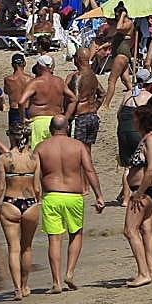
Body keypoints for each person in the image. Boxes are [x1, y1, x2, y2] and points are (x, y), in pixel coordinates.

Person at [35, 115, 105, 293]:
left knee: (55, 239)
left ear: (51, 129)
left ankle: (56, 282)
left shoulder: (41, 148)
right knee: (76, 234)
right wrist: (99, 195)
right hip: (74, 196)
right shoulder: (78, 146)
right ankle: (70, 273)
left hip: (51, 196)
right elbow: (89, 170)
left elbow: (35, 176)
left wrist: (36, 197)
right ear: (67, 128)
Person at [0, 124, 41, 300]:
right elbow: (37, 188)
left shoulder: (4, 159)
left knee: (13, 248)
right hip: (30, 203)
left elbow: (0, 186)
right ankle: (25, 284)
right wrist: (39, 202)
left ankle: (16, 289)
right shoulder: (34, 159)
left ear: (11, 137)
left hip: (10, 203)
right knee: (27, 247)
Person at [122, 105, 152, 288]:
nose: (133, 121)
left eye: (136, 118)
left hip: (145, 190)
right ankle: (148, 269)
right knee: (146, 229)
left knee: (130, 230)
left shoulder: (151, 140)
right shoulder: (149, 139)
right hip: (148, 190)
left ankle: (144, 272)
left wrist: (138, 193)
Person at [19, 55, 75, 149]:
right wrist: (66, 117)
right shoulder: (59, 81)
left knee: (37, 153)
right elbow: (73, 99)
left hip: (38, 122)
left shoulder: (35, 83)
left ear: (39, 66)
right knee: (54, 153)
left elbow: (21, 102)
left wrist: (23, 118)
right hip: (55, 122)